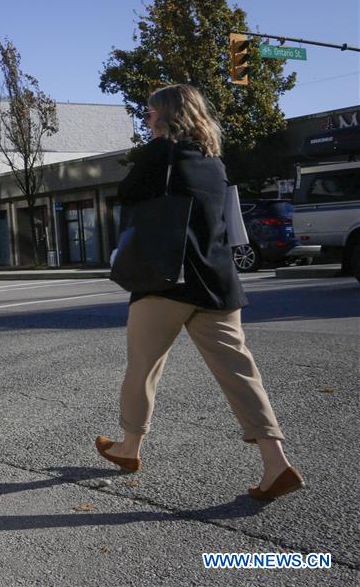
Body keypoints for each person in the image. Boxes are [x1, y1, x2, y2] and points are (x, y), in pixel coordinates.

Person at [96, 84, 303, 501]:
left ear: (169, 115)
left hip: (165, 281)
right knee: (241, 374)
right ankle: (276, 462)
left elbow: (127, 193)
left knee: (143, 368)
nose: (148, 120)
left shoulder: (160, 152)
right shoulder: (215, 162)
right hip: (218, 283)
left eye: (152, 113)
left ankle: (130, 447)